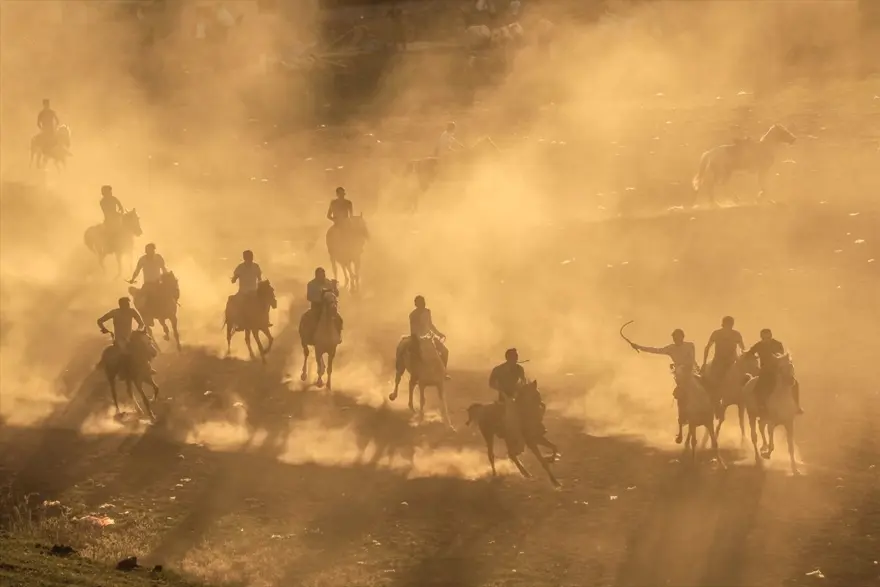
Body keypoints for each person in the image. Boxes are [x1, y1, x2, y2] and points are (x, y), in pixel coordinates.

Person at [630, 329, 701, 443]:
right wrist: (638, 347)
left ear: (683, 337)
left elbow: (692, 360)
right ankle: (682, 421)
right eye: (674, 338)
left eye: (678, 337)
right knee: (680, 395)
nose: (676, 339)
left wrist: (697, 369)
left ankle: (714, 411)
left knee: (706, 388)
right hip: (681, 376)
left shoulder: (690, 345)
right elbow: (655, 350)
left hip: (691, 372)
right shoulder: (670, 348)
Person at [742, 328, 803, 415]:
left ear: (771, 336)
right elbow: (749, 354)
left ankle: (797, 406)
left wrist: (778, 360)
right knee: (759, 387)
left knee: (795, 383)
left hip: (777, 370)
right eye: (764, 338)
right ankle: (762, 406)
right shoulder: (758, 345)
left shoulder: (777, 344)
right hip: (764, 371)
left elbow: (781, 356)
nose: (766, 340)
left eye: (768, 338)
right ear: (761, 337)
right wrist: (753, 359)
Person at [489, 348, 527, 455]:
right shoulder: (498, 370)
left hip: (517, 397)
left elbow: (523, 381)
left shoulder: (519, 369)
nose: (516, 359)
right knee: (506, 418)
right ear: (508, 358)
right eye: (514, 357)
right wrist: (501, 390)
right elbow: (491, 383)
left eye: (516, 357)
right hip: (504, 398)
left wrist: (519, 390)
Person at [409, 295, 449, 375]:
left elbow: (430, 325)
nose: (423, 304)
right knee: (416, 356)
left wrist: (438, 334)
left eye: (423, 302)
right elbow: (413, 330)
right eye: (420, 303)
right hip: (417, 338)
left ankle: (442, 372)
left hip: (429, 337)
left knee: (445, 351)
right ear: (416, 304)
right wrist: (420, 338)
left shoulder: (427, 312)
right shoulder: (413, 315)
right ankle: (415, 375)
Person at [702, 316, 745, 390]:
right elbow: (708, 347)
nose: (729, 326)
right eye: (728, 324)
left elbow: (742, 348)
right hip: (718, 360)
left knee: (743, 376)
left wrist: (742, 360)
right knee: (710, 379)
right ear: (723, 324)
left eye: (731, 324)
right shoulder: (716, 333)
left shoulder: (736, 334)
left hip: (732, 361)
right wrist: (704, 363)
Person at [129, 243, 167, 315]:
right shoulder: (142, 259)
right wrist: (133, 279)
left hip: (158, 283)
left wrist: (166, 278)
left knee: (168, 295)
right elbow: (137, 270)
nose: (150, 252)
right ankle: (146, 316)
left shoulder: (158, 257)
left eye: (152, 250)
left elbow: (163, 268)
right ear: (146, 251)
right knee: (140, 300)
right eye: (148, 250)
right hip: (147, 284)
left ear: (154, 250)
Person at [229, 250, 262, 330]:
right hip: (243, 292)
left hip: (254, 292)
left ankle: (263, 321)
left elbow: (259, 279)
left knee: (263, 304)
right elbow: (235, 278)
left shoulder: (256, 266)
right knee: (238, 305)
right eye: (248, 257)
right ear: (244, 258)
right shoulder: (240, 267)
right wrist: (234, 279)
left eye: (251, 257)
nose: (250, 258)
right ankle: (240, 323)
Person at [305, 267, 338, 340]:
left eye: (323, 274)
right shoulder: (311, 284)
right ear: (316, 275)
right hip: (316, 307)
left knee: (338, 319)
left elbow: (336, 295)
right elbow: (309, 297)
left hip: (329, 306)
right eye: (320, 274)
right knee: (311, 321)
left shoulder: (328, 283)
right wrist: (319, 299)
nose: (322, 276)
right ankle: (309, 337)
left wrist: (335, 287)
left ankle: (338, 335)